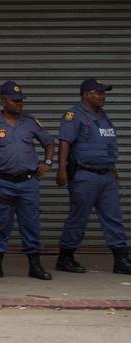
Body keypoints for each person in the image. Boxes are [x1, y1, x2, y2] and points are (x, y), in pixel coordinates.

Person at [0, 80, 54, 281]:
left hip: (28, 183)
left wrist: (48, 162)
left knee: (31, 224)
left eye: (21, 100)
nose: (20, 104)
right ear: (3, 101)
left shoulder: (30, 123)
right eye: (15, 100)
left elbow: (49, 142)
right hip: (3, 183)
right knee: (2, 224)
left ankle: (35, 266)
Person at [55, 79, 131, 275]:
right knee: (78, 217)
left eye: (103, 93)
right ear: (86, 94)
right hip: (84, 175)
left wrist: (113, 170)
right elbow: (65, 143)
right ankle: (66, 257)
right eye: (98, 92)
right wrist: (61, 169)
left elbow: (107, 147)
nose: (102, 96)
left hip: (106, 176)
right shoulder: (74, 116)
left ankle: (121, 259)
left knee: (113, 217)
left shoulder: (104, 117)